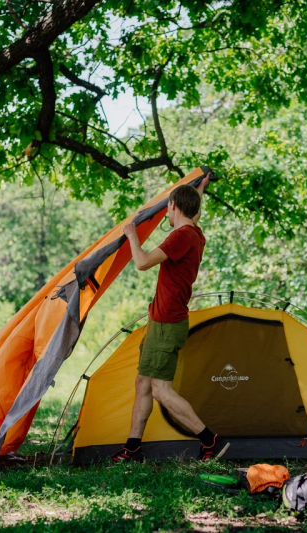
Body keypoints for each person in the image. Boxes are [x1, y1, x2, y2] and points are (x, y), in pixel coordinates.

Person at [113, 174, 216, 463]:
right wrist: (200, 188)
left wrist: (132, 234)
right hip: (163, 320)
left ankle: (210, 440)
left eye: (168, 209)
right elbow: (192, 211)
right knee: (143, 383)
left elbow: (143, 263)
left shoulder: (181, 236)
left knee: (160, 389)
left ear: (172, 206)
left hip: (167, 322)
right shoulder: (195, 233)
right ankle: (132, 449)